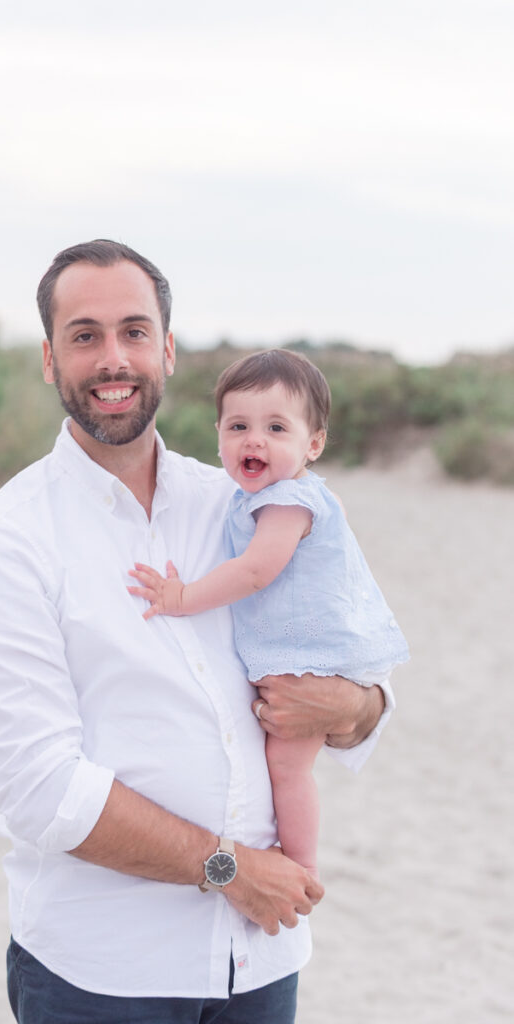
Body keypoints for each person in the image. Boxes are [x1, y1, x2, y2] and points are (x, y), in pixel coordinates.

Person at [0, 240, 394, 1024]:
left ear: (169, 349)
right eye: (84, 336)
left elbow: (352, 638)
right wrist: (228, 869)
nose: (113, 358)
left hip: (260, 959)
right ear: (51, 360)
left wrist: (354, 709)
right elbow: (42, 790)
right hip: (104, 972)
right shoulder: (5, 541)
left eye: (134, 331)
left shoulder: (246, 503)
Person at [128, 348, 409, 876]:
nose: (254, 440)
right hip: (302, 651)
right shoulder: (257, 497)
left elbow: (257, 571)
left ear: (314, 443)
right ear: (217, 434)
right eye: (239, 425)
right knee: (284, 763)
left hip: (309, 657)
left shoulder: (287, 502)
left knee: (286, 765)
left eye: (277, 428)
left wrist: (180, 597)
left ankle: (300, 864)